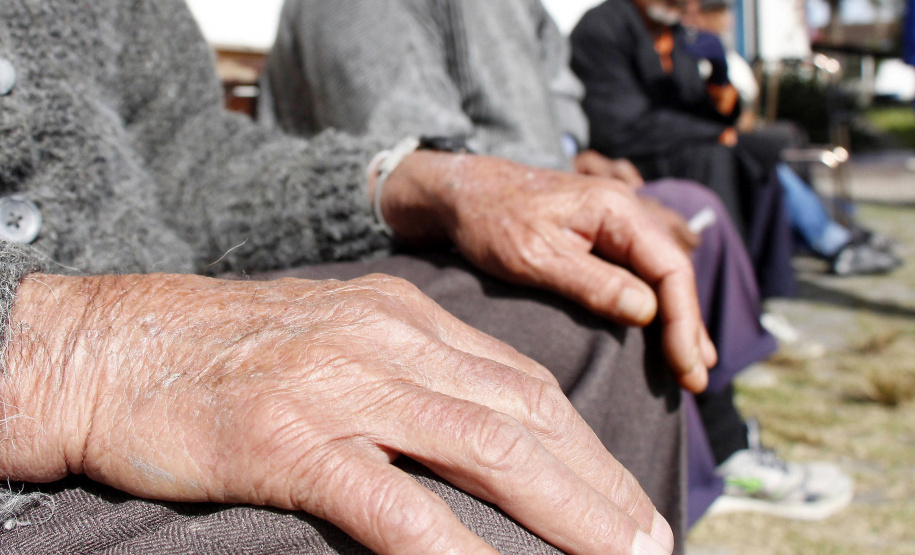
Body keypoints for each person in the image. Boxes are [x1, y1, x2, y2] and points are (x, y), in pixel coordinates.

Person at [0, 1, 725, 553]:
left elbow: (181, 147)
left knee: (598, 309)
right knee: (440, 524)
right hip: (34, 404)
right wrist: (71, 354)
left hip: (139, 298)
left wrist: (424, 181)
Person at [258, 0, 856, 526]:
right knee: (612, 295)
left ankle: (718, 440)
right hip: (403, 229)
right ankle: (678, 487)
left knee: (694, 210)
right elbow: (415, 154)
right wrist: (547, 193)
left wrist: (579, 161)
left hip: (528, 181)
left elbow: (560, 95)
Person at [570, 0, 797, 300]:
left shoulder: (674, 35)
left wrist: (718, 77)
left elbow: (701, 110)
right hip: (631, 154)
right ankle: (724, 292)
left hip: (678, 142)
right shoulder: (602, 27)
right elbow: (616, 124)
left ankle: (758, 288)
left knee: (763, 154)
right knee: (717, 157)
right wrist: (718, 135)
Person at [682, 0, 902, 276]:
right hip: (712, 138)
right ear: (701, 16)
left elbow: (740, 107)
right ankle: (832, 240)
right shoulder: (691, 50)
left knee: (791, 137)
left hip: (730, 130)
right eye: (721, 13)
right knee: (766, 154)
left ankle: (833, 227)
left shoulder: (719, 50)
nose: (728, 20)